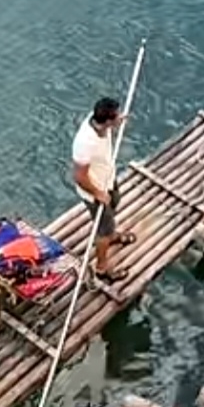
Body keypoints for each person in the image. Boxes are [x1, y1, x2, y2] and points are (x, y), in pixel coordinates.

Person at [72, 95, 132, 282]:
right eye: (116, 116)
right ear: (107, 120)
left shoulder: (99, 121)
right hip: (95, 191)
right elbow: (79, 177)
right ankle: (101, 268)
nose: (120, 116)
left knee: (115, 203)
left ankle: (112, 235)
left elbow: (109, 124)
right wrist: (98, 194)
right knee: (103, 230)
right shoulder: (85, 142)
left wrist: (116, 123)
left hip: (107, 178)